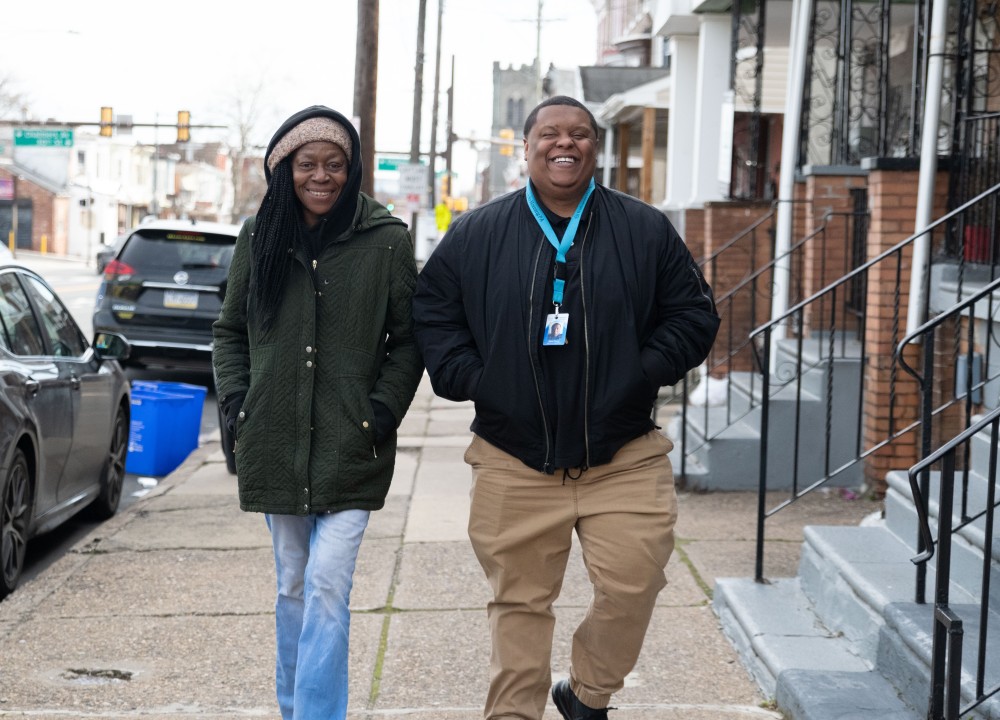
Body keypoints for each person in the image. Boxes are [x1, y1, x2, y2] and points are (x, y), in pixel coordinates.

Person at [412, 95, 720, 720]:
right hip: (512, 459)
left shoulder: (644, 228)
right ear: (524, 148)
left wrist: (640, 373)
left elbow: (693, 315)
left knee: (634, 584)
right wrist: (479, 379)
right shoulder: (477, 232)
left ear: (595, 148)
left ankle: (586, 694)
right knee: (520, 606)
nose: (565, 143)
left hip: (624, 455)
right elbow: (433, 316)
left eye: (580, 134)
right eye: (550, 133)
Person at [212, 105, 423, 720]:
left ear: (351, 168)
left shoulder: (386, 241)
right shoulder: (261, 237)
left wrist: (380, 411)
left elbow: (408, 340)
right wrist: (237, 403)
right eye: (308, 164)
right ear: (286, 171)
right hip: (275, 441)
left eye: (335, 164)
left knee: (329, 586)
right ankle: (293, 706)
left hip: (351, 444)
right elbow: (229, 330)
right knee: (293, 587)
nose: (322, 176)